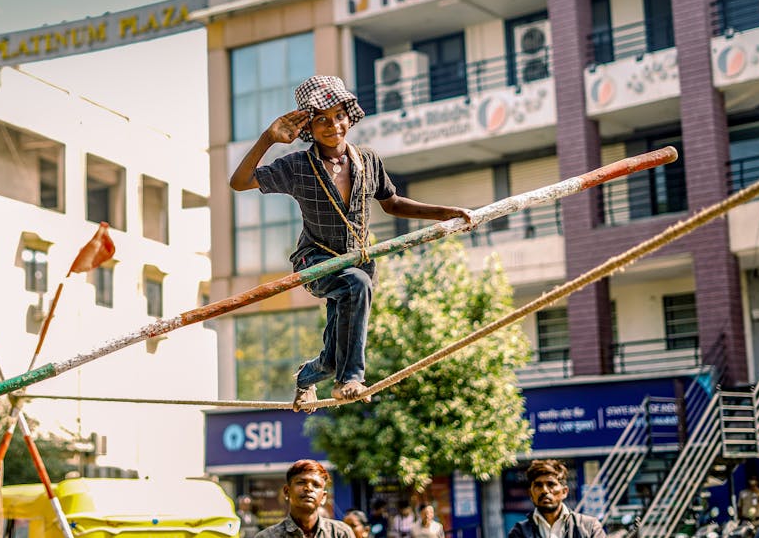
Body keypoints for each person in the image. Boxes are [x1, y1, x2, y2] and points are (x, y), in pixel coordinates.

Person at [230, 75, 471, 411]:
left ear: (350, 117)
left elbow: (392, 203)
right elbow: (240, 182)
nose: (333, 126)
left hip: (358, 261)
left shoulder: (367, 160)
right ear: (309, 128)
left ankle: (308, 376)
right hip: (316, 262)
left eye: (339, 116)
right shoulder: (297, 166)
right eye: (321, 120)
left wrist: (446, 213)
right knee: (355, 286)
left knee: (331, 357)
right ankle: (351, 379)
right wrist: (268, 138)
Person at [255, 459, 355, 538]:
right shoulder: (267, 536)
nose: (308, 488)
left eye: (316, 485)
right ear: (286, 491)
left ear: (323, 497)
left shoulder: (340, 533)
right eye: (301, 482)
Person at [507, 460, 605, 538]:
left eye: (551, 484)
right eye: (538, 485)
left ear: (565, 491)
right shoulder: (520, 532)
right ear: (530, 493)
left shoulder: (589, 527)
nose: (544, 490)